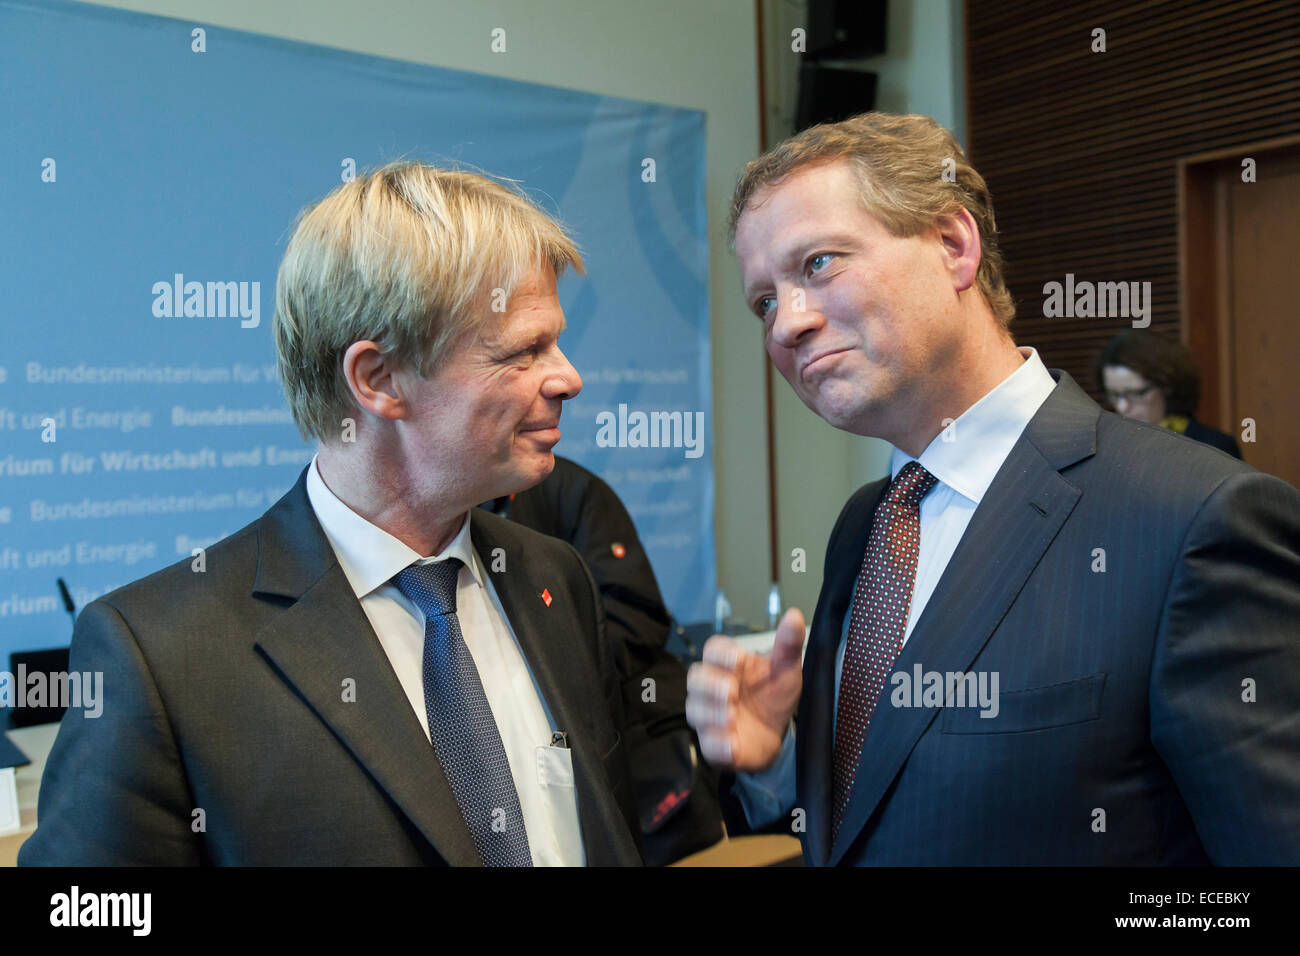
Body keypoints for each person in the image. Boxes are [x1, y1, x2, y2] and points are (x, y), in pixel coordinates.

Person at [686, 112, 1300, 865]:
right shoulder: (865, 527)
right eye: (764, 301)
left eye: (816, 264)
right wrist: (779, 762)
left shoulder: (1192, 519)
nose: (787, 324)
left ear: (953, 245)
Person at [21, 162, 641, 866]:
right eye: (525, 350)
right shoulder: (162, 658)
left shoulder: (553, 580)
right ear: (378, 380)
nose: (568, 377)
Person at [481, 456, 725, 864]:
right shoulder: (460, 512)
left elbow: (639, 616)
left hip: (642, 779)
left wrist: (545, 666)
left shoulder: (570, 490)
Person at [1095, 329, 1242, 458]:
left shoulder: (1215, 447)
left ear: (1168, 386)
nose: (1122, 407)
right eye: (1114, 395)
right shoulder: (1109, 448)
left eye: (1136, 394)